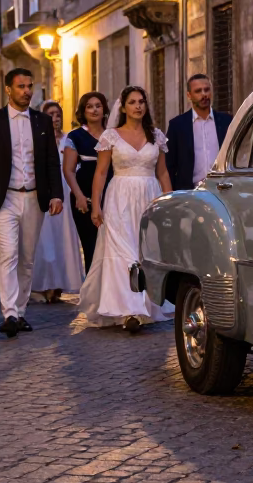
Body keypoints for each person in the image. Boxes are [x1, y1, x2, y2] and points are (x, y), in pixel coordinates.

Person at [0, 68, 63, 338]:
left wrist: (56, 194)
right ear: (8, 90)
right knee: (8, 254)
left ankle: (20, 311)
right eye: (21, 86)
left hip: (35, 197)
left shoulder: (42, 121)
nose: (26, 91)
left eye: (29, 85)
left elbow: (50, 161)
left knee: (26, 257)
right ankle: (9, 312)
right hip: (5, 197)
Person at [77, 86, 172, 331]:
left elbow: (162, 172)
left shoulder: (156, 136)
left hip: (149, 197)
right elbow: (100, 172)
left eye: (142, 101)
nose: (138, 106)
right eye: (132, 102)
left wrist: (169, 203)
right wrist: (95, 205)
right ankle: (129, 310)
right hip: (119, 197)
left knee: (145, 251)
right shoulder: (111, 136)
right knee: (123, 252)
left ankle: (147, 303)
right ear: (123, 107)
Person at [30, 100, 83, 303]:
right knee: (46, 240)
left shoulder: (69, 139)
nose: (55, 118)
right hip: (47, 192)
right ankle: (44, 284)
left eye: (58, 114)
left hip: (66, 193)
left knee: (64, 238)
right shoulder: (39, 139)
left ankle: (61, 282)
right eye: (51, 114)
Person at [63, 92, 109, 272]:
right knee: (91, 247)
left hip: (112, 194)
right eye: (89, 106)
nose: (94, 109)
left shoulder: (113, 135)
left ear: (104, 108)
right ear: (83, 110)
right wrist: (79, 196)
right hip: (85, 198)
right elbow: (68, 170)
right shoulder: (75, 137)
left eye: (98, 105)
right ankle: (92, 292)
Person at [165, 74, 233, 192]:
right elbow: (169, 166)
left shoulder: (227, 121)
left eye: (206, 90)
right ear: (189, 95)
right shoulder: (177, 125)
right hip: (190, 193)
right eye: (198, 91)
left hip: (223, 190)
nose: (204, 94)